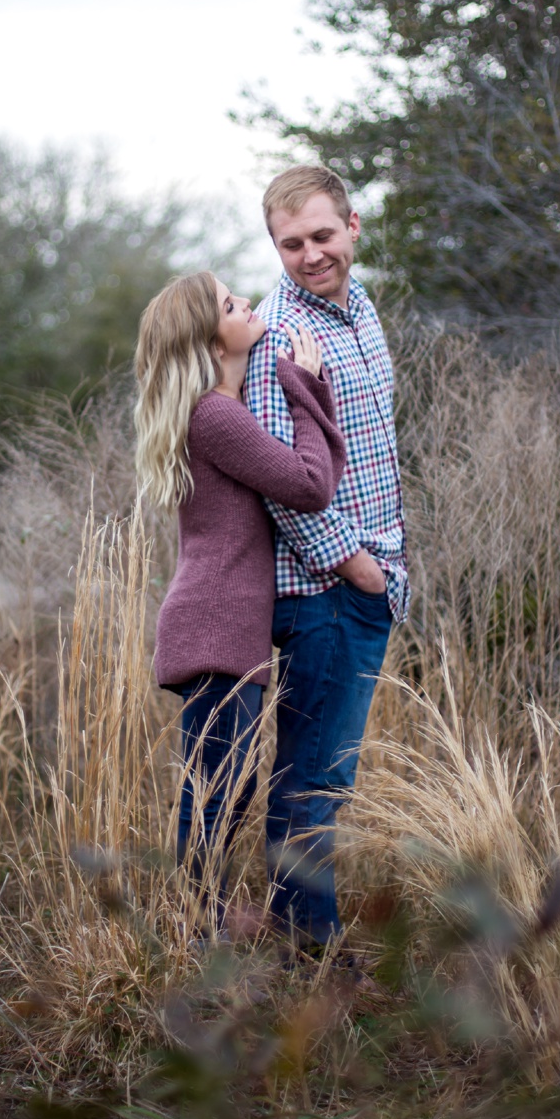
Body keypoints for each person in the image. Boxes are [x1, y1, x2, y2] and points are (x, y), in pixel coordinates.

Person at [136, 271, 344, 937]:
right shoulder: (217, 415)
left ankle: (208, 923)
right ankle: (201, 932)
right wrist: (304, 387)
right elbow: (310, 486)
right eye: (231, 304)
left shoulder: (217, 412)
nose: (247, 303)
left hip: (218, 626)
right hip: (216, 627)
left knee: (225, 787)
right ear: (210, 338)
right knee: (217, 791)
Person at [242, 164, 409, 956]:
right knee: (313, 781)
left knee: (324, 777)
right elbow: (283, 482)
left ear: (353, 226)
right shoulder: (279, 333)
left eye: (322, 235)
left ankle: (297, 937)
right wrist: (358, 569)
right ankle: (314, 956)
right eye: (290, 244)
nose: (309, 255)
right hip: (323, 593)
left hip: (372, 582)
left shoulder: (362, 311)